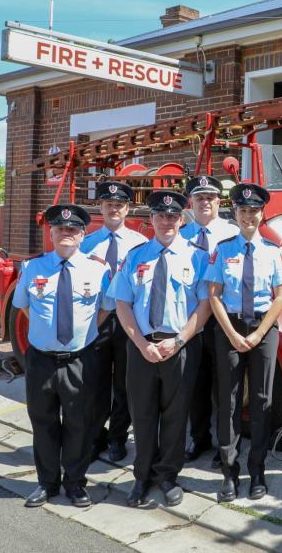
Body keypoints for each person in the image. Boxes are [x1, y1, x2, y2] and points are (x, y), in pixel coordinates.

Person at [107, 190, 212, 508]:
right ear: (150, 219)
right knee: (142, 414)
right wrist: (140, 344)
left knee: (176, 416)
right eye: (160, 215)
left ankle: (167, 476)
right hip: (142, 348)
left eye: (172, 216)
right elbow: (122, 304)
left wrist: (178, 340)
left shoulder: (198, 257)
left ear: (182, 219)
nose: (166, 221)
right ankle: (141, 477)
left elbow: (205, 306)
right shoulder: (136, 256)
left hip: (180, 345)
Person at [13, 204, 111, 509]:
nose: (66, 233)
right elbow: (25, 307)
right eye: (60, 229)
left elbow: (106, 309)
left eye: (72, 230)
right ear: (51, 233)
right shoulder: (32, 268)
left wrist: (81, 335)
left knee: (79, 424)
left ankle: (75, 483)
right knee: (43, 423)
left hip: (79, 359)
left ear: (83, 235)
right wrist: (47, 334)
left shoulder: (99, 269)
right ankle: (47, 483)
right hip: (41, 359)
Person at [204, 183, 282, 502]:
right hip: (230, 325)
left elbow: (280, 295)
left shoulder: (273, 250)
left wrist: (257, 334)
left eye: (254, 211)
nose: (248, 216)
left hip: (263, 327)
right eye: (242, 210)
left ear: (261, 213)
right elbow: (213, 294)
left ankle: (257, 471)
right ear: (235, 213)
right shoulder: (223, 249)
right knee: (227, 401)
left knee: (261, 400)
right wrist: (232, 333)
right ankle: (229, 473)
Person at [80, 181, 147, 463]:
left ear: (127, 208)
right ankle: (96, 436)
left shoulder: (140, 243)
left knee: (124, 383)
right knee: (94, 382)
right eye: (108, 204)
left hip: (128, 320)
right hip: (97, 319)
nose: (114, 209)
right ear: (101, 207)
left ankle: (118, 438)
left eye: (119, 204)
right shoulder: (86, 243)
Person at [181, 175, 240, 467]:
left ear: (220, 201)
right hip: (191, 320)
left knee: (224, 386)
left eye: (210, 198)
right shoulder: (181, 234)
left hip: (222, 318)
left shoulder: (233, 232)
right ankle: (199, 438)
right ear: (191, 202)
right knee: (195, 383)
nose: (204, 202)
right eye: (199, 198)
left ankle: (224, 445)